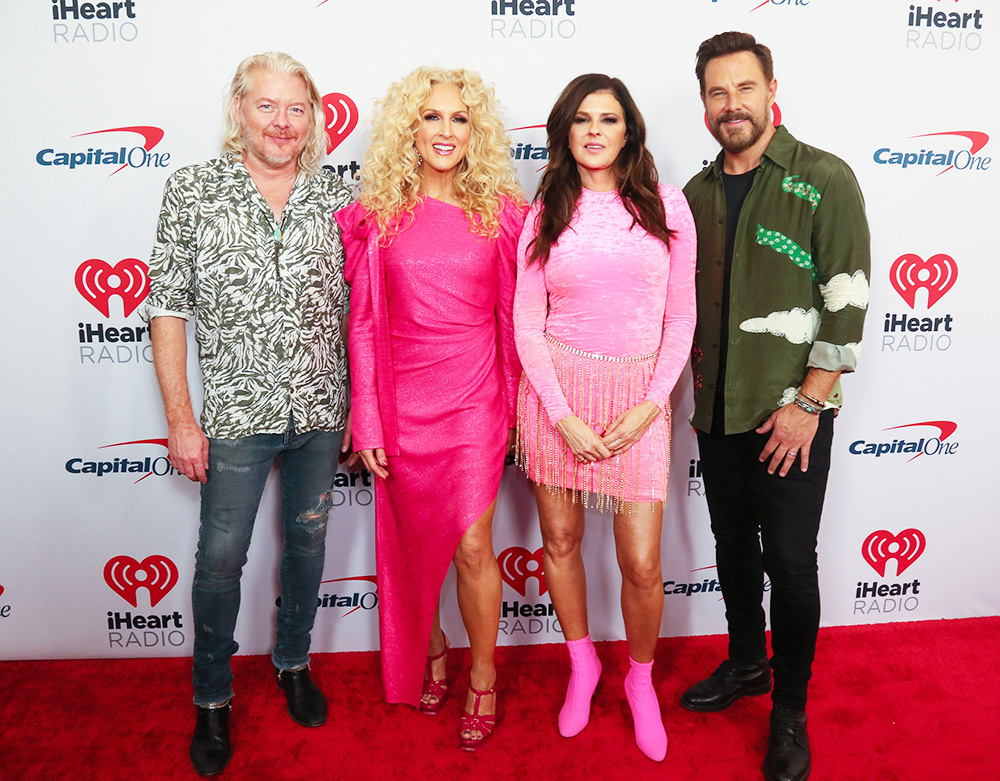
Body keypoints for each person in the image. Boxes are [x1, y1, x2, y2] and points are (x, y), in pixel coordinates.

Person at [144, 52, 353, 776]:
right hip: (234, 413)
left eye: (296, 108)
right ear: (240, 109)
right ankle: (212, 696)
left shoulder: (336, 198)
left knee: (307, 545)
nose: (282, 123)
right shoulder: (193, 191)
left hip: (323, 410)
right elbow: (167, 308)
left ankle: (292, 660)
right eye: (267, 106)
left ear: (313, 116)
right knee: (221, 559)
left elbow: (360, 313)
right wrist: (180, 417)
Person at [680, 32, 870, 781]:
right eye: (717, 93)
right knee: (732, 548)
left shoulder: (824, 179)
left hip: (789, 415)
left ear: (770, 90)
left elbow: (846, 300)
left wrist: (807, 406)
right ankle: (745, 662)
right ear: (704, 106)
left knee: (789, 562)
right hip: (716, 415)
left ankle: (789, 706)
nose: (732, 105)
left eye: (744, 88)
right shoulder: (693, 195)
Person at [335, 66, 525, 751]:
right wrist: (369, 419)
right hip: (402, 402)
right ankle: (432, 647)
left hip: (475, 398)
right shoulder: (377, 215)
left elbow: (513, 321)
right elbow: (360, 325)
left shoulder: (502, 213)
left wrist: (518, 409)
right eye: (431, 117)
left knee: (473, 542)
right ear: (408, 129)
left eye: (459, 118)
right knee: (417, 547)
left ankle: (482, 675)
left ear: (478, 132)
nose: (445, 131)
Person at [513, 74, 696, 762]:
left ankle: (640, 679)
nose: (595, 130)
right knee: (558, 541)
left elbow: (681, 317)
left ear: (629, 131)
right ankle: (582, 661)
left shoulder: (667, 206)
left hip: (639, 401)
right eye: (582, 118)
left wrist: (652, 404)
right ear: (565, 130)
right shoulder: (545, 213)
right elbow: (527, 324)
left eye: (609, 118)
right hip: (557, 398)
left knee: (642, 562)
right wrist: (560, 415)